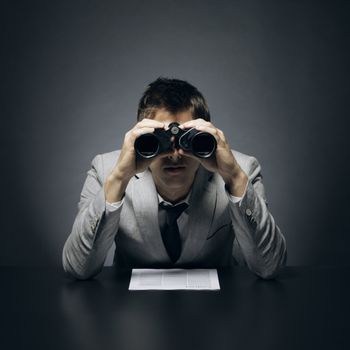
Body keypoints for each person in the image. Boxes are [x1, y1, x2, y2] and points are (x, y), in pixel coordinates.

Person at [62, 77, 287, 280]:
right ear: (140, 136)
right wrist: (120, 177)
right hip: (133, 312)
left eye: (187, 141)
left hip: (216, 310)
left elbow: (270, 267)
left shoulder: (242, 169)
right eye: (160, 141)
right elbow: (77, 268)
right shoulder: (107, 170)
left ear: (205, 134)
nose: (175, 153)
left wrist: (235, 177)